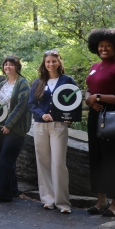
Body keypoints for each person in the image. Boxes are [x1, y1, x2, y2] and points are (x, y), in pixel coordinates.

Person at [28, 50, 77, 214]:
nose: (50, 64)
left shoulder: (67, 80)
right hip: (40, 125)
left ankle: (63, 202)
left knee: (58, 163)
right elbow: (31, 103)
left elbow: (74, 101)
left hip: (59, 126)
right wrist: (41, 114)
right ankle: (48, 199)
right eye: (48, 61)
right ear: (44, 63)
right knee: (43, 161)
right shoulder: (38, 82)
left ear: (59, 62)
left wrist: (70, 117)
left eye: (53, 61)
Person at [84, 29, 115, 217]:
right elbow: (89, 89)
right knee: (96, 157)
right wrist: (89, 97)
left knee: (112, 159)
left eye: (108, 45)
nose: (104, 48)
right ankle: (100, 200)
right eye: (101, 45)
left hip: (113, 117)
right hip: (94, 117)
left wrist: (98, 97)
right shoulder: (96, 66)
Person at [0, 56, 31, 203]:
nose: (8, 67)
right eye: (6, 64)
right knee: (4, 160)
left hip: (16, 128)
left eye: (11, 64)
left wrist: (8, 124)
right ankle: (13, 190)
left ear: (17, 66)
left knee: (6, 158)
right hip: (0, 127)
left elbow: (22, 106)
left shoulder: (23, 83)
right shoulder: (2, 84)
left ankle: (2, 193)